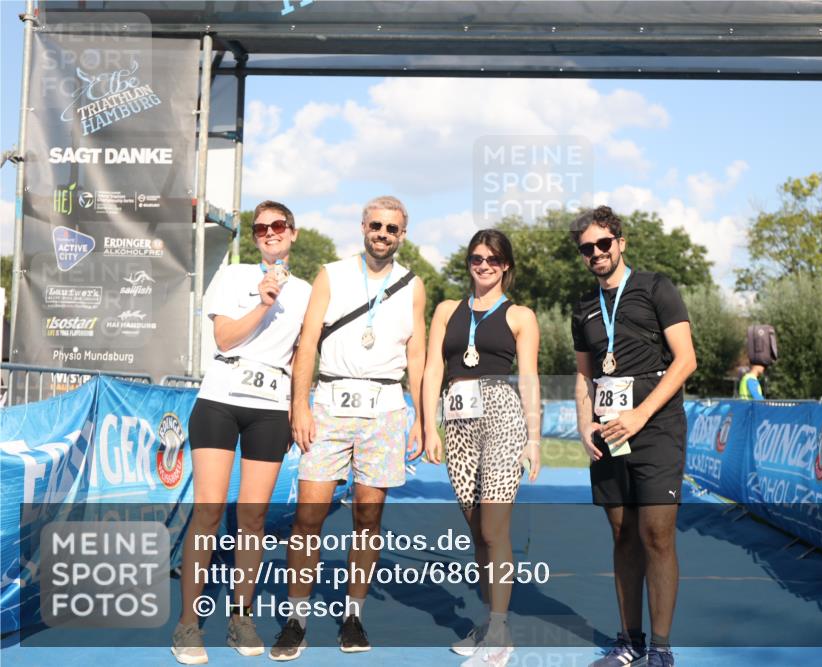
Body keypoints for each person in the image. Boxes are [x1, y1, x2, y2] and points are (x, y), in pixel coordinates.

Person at [270, 196, 426, 661]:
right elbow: (308, 342)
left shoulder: (412, 284)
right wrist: (300, 405)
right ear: (363, 226)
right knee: (307, 518)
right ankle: (296, 619)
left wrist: (420, 416)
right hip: (331, 405)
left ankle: (353, 614)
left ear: (403, 234)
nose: (383, 234)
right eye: (376, 225)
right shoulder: (332, 273)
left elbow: (416, 353)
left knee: (368, 519)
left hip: (385, 410)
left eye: (392, 228)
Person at [172, 201, 312, 665]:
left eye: (278, 226)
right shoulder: (234, 276)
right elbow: (225, 339)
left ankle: (241, 616)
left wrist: (299, 407)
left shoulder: (310, 292)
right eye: (260, 228)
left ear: (292, 233)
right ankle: (188, 624)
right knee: (208, 512)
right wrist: (263, 301)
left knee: (252, 520)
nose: (269, 233)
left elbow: (301, 356)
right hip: (220, 398)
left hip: (270, 406)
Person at [570, 206, 696, 667]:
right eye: (588, 248)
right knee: (622, 535)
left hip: (656, 426)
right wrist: (585, 422)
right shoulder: (583, 307)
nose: (597, 253)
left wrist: (641, 413)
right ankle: (629, 641)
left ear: (620, 242)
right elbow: (584, 377)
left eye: (604, 243)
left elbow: (686, 360)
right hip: (607, 432)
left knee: (656, 534)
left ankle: (661, 650)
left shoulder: (656, 287)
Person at [423, 229, 541, 667]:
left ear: (506, 265)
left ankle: (499, 629)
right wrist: (428, 424)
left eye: (493, 259)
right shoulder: (446, 311)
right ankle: (491, 621)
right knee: (477, 531)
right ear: (468, 262)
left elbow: (528, 378)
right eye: (477, 258)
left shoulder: (521, 316)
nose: (484, 265)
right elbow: (433, 367)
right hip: (457, 419)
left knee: (494, 529)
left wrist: (534, 438)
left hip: (502, 415)